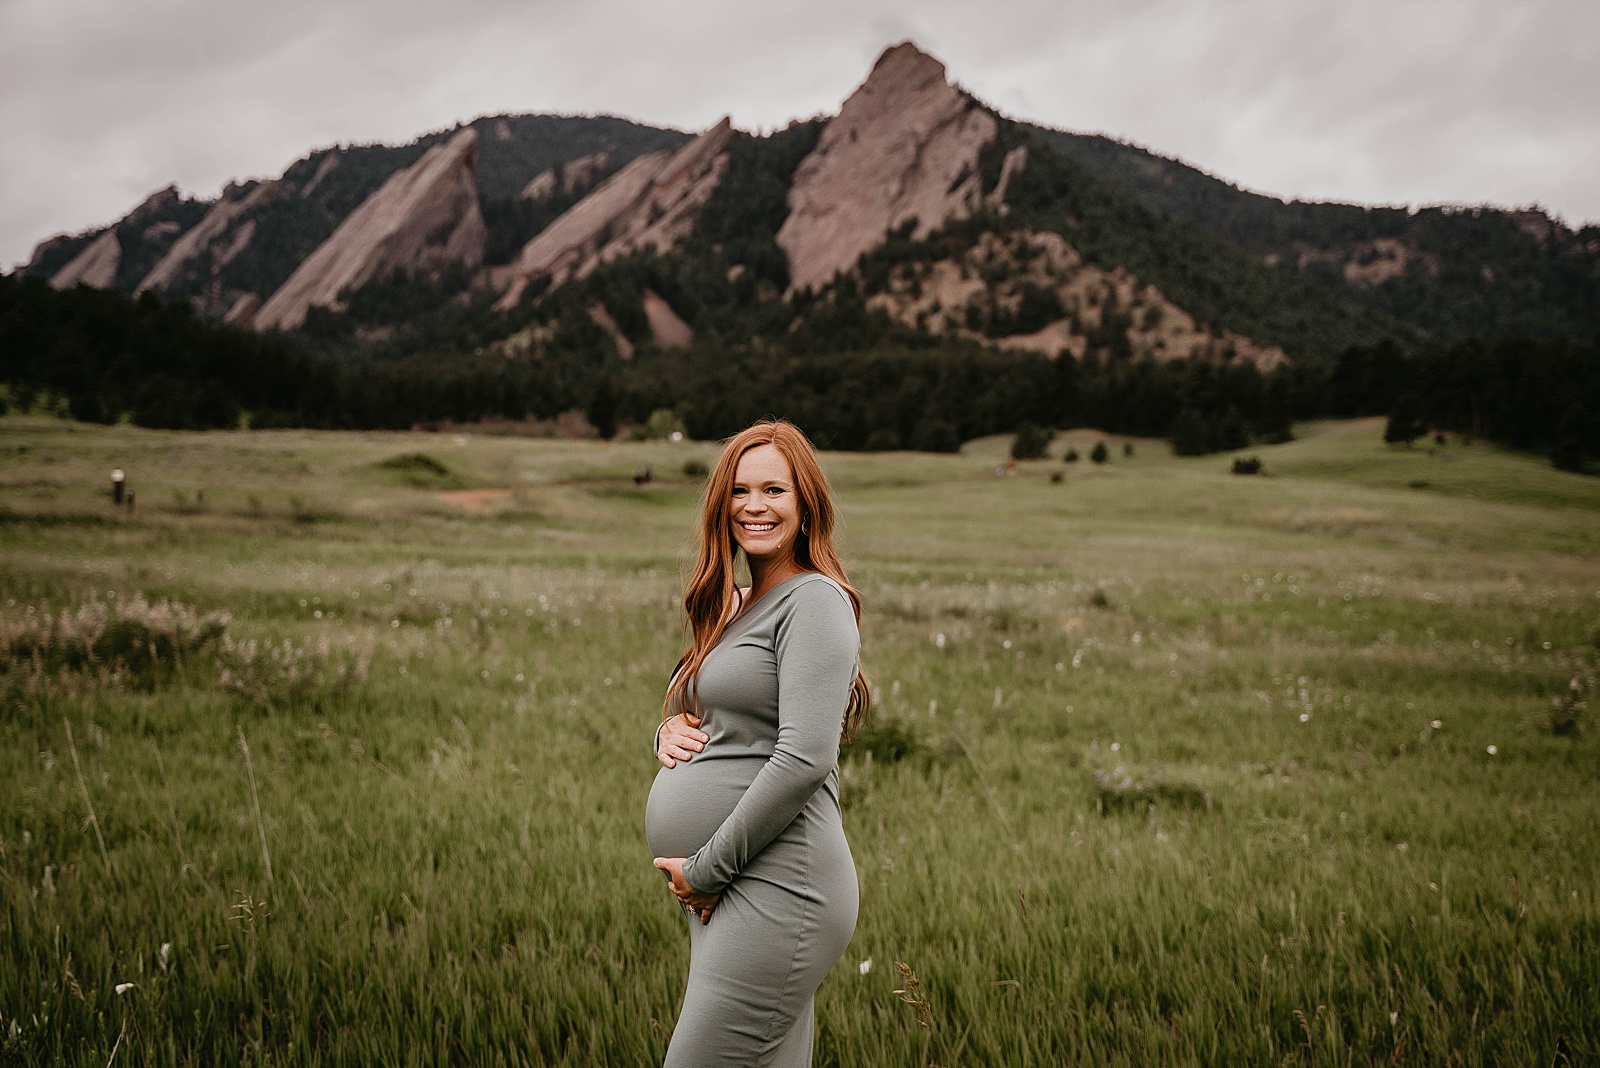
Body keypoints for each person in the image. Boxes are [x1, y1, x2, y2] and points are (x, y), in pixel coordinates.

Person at [646, 419, 870, 1067]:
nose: (754, 506)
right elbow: (703, 705)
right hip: (732, 881)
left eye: (775, 489)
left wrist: (706, 872)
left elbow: (804, 760)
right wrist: (663, 730)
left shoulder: (814, 603)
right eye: (740, 491)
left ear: (805, 506)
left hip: (777, 884)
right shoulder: (738, 602)